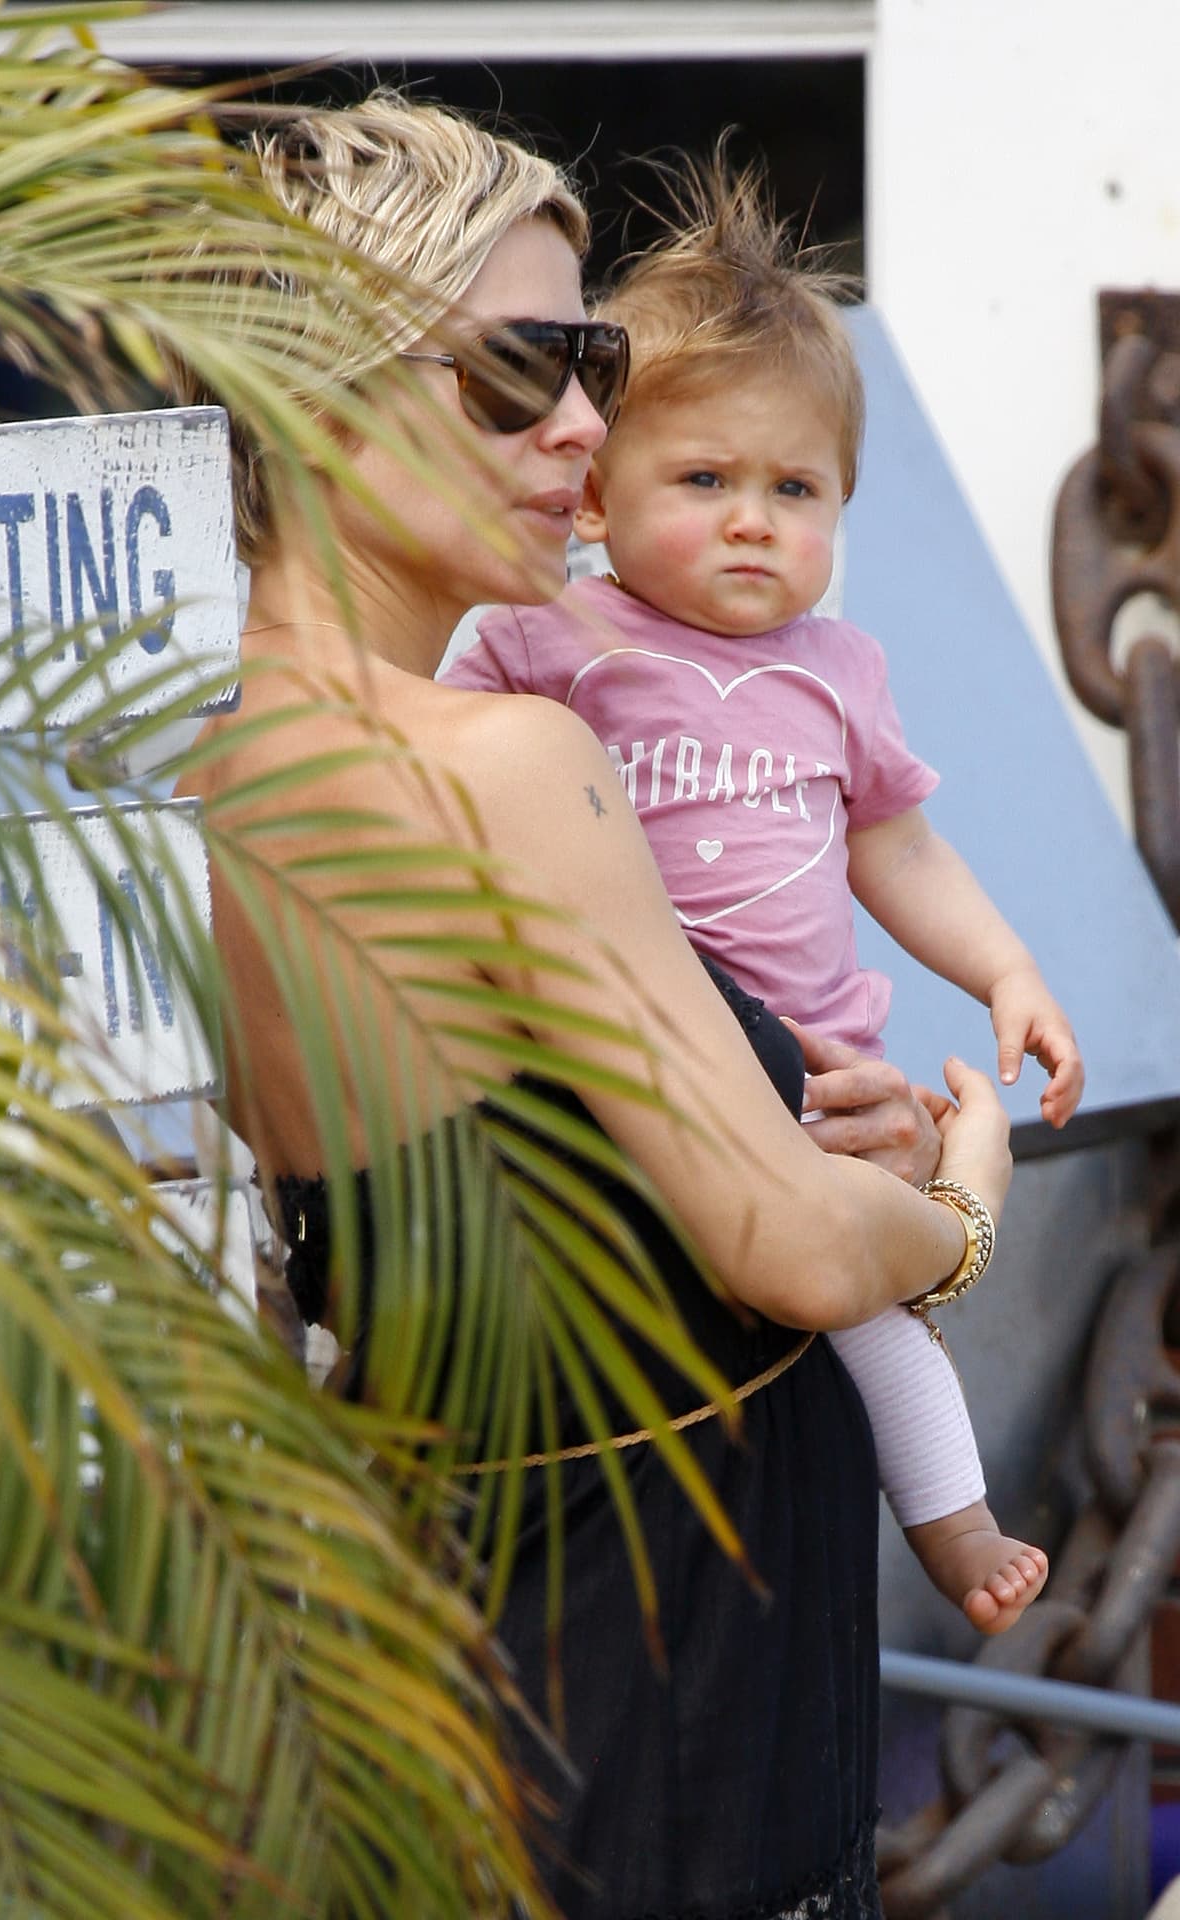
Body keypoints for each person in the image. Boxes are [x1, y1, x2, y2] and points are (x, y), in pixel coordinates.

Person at [175, 96, 1013, 1920]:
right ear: (316, 384)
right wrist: (953, 1206)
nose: (583, 424)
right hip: (670, 1692)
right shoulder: (507, 759)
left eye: (596, 363)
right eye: (521, 370)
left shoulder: (206, 751)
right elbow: (787, 1247)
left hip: (464, 1656)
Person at [444, 160, 1077, 1636]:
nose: (752, 523)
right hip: (633, 1063)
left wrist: (1009, 974)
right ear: (597, 492)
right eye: (706, 481)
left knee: (871, 1324)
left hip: (812, 1075)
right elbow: (438, 761)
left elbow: (898, 846)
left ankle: (959, 1533)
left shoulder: (838, 672)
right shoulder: (551, 634)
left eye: (795, 491)